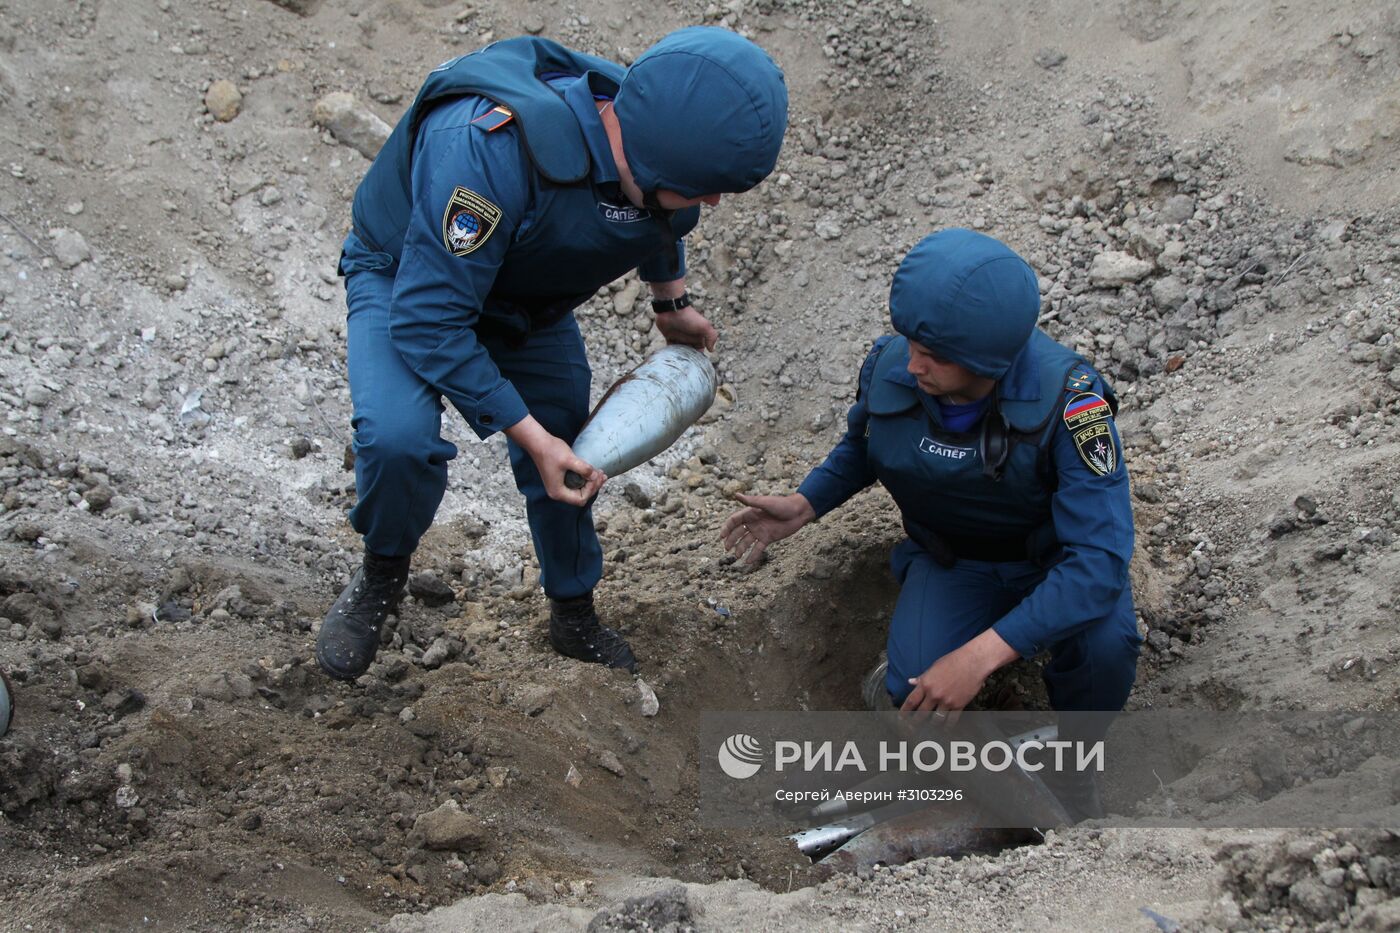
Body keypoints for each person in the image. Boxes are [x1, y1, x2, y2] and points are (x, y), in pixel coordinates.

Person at [317, 28, 788, 681]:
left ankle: (572, 609)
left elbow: (662, 220)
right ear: (652, 159)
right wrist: (525, 432)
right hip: (409, 277)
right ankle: (382, 572)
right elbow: (430, 324)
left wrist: (670, 301)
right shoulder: (486, 152)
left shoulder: (656, 137)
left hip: (522, 299)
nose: (710, 202)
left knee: (577, 449)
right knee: (397, 439)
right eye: (703, 187)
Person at [721, 229, 1141, 815]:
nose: (915, 364)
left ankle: (1073, 767)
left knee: (1107, 648)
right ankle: (987, 783)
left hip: (1054, 567)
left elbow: (1098, 563)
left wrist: (980, 656)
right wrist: (806, 502)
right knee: (914, 694)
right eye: (911, 341)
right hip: (956, 563)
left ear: (992, 359)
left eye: (937, 355)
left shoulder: (1071, 405)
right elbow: (867, 446)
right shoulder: (893, 367)